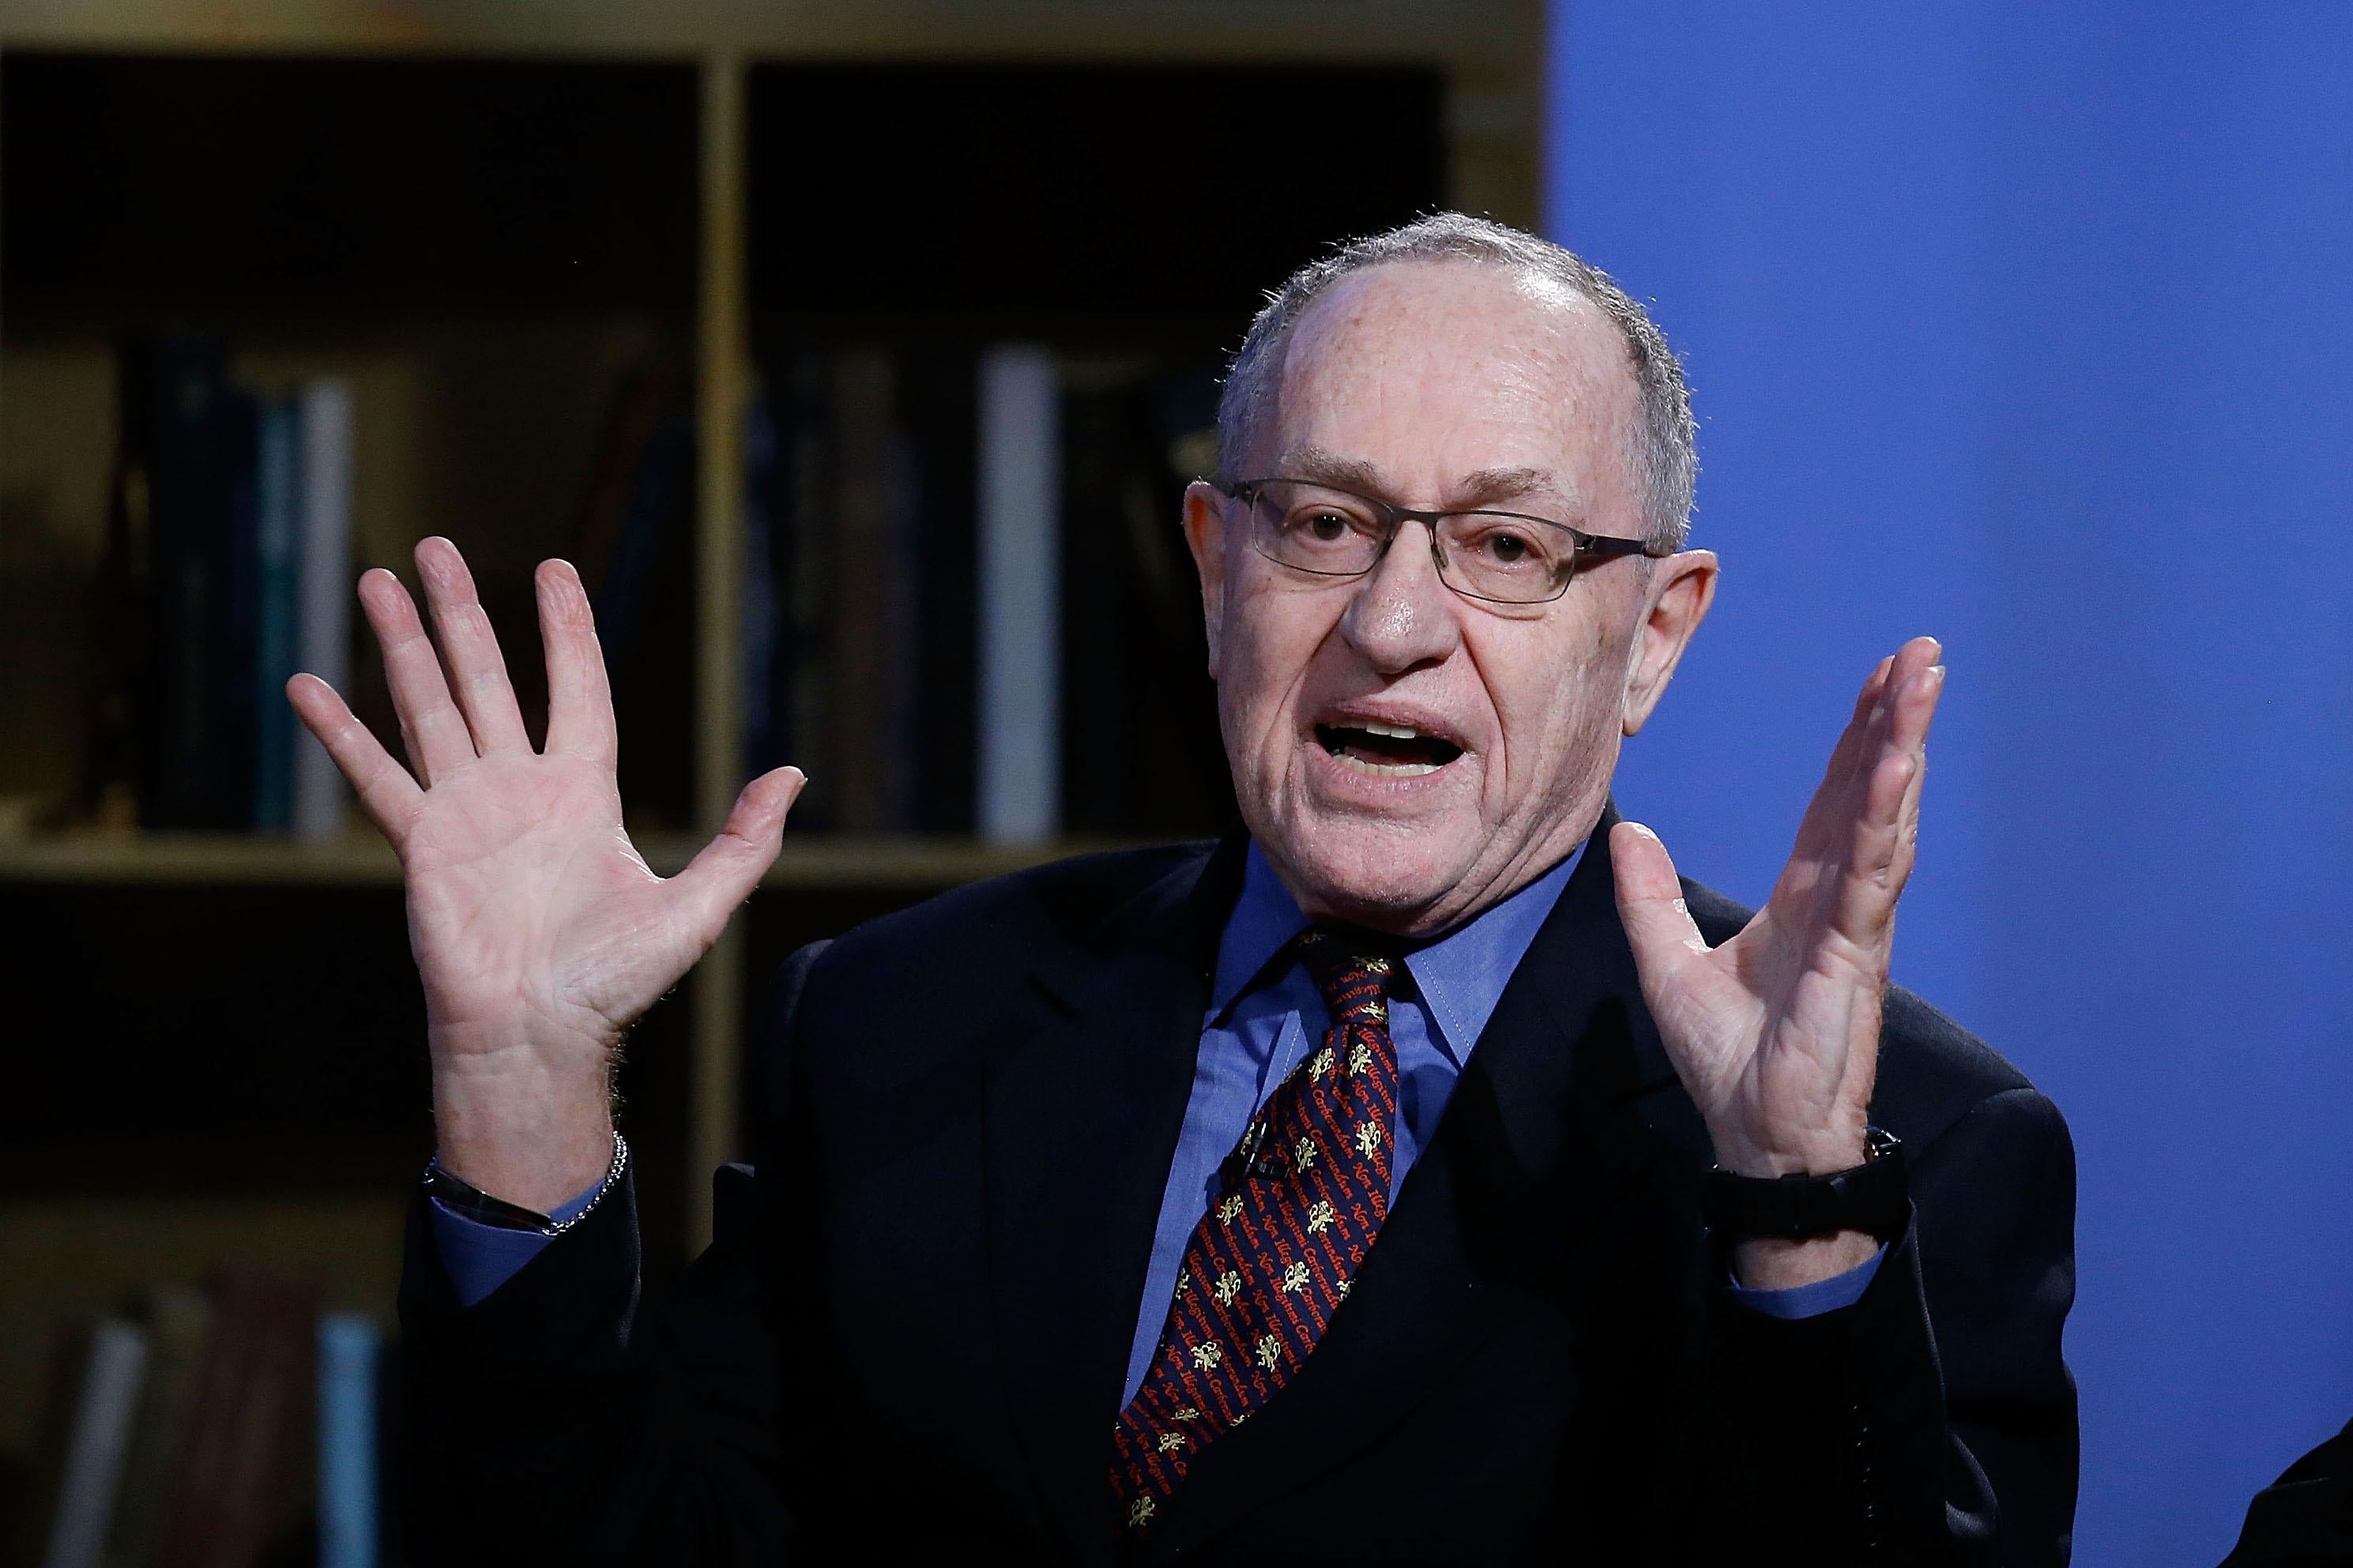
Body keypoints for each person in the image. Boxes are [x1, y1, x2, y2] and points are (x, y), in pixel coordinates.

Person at [288, 214, 2077, 1562]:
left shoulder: (1908, 1140)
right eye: (1322, 524)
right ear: (1216, 568)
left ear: (1653, 635)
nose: (1389, 623)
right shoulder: (907, 1019)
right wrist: (520, 1094)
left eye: (1505, 550)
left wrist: (1792, 1209)